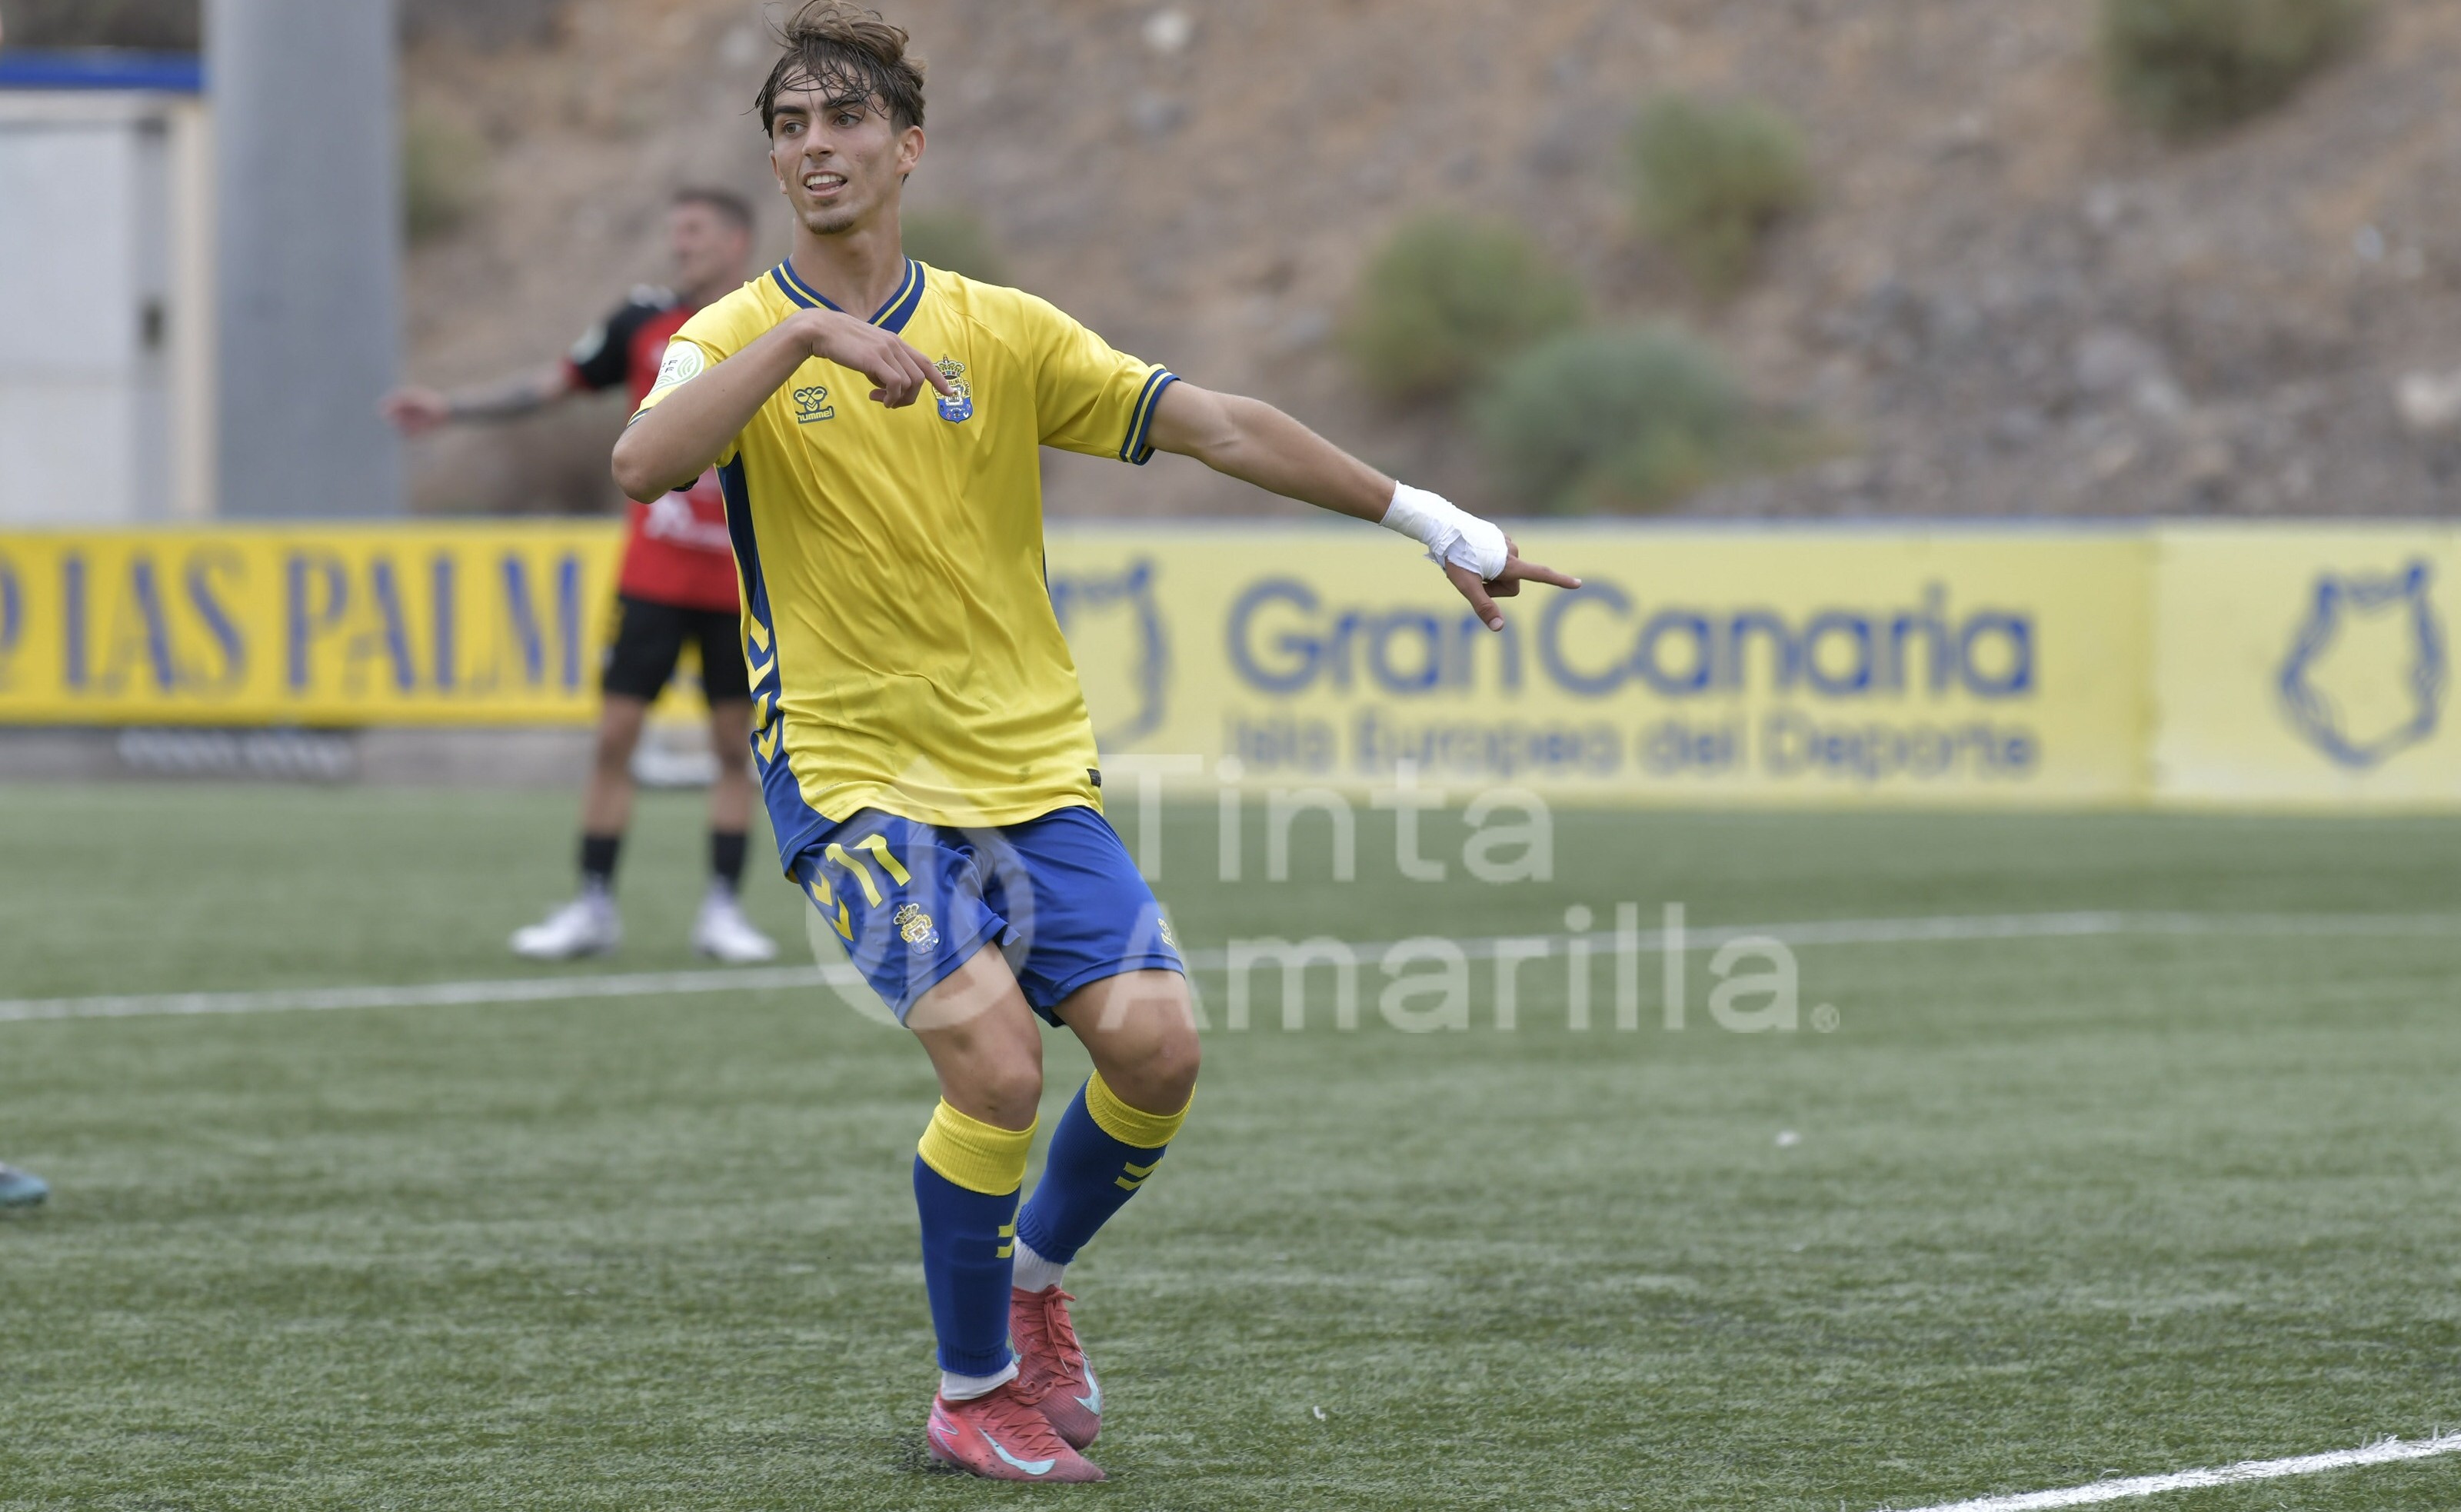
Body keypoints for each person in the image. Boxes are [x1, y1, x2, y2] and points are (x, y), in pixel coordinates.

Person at [613, 3, 1579, 1484]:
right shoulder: (732, 336)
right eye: (790, 128)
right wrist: (808, 332)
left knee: (1158, 1050)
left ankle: (1031, 1280)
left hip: (1027, 767)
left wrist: (1441, 525)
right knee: (996, 1066)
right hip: (854, 773)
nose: (816, 149)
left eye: (845, 121)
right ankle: (971, 1390)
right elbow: (643, 463)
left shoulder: (1000, 330)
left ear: (908, 145)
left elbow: (1221, 428)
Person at [384, 190, 780, 964]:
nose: (679, 247)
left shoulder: (773, 326)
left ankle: (722, 912)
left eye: (693, 233)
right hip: (652, 577)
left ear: (735, 241)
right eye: (674, 233)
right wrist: (452, 409)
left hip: (737, 585)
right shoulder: (641, 320)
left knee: (736, 749)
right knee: (614, 739)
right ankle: (592, 906)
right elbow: (556, 382)